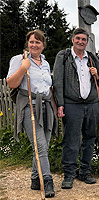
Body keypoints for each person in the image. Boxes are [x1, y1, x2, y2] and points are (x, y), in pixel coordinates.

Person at [53, 28, 99, 189]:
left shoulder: (91, 58)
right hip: (72, 104)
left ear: (87, 41)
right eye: (78, 39)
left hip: (91, 104)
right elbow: (58, 82)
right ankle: (69, 174)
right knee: (71, 140)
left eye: (84, 39)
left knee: (90, 139)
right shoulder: (64, 56)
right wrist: (60, 104)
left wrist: (97, 74)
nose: (81, 42)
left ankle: (85, 172)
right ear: (72, 39)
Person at [6, 30, 56, 198]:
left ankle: (35, 178)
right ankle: (47, 180)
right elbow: (11, 83)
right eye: (31, 42)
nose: (34, 45)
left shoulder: (46, 63)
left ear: (43, 45)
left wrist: (56, 108)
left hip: (46, 107)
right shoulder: (19, 60)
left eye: (38, 42)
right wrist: (23, 68)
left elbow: (49, 88)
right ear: (27, 43)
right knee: (40, 146)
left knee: (44, 146)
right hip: (29, 106)